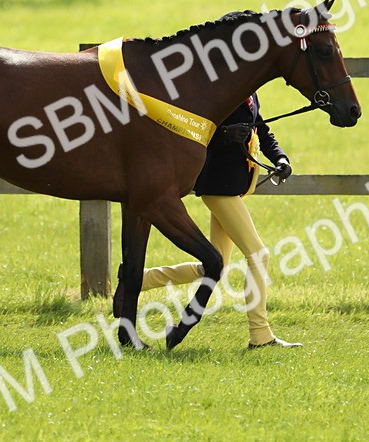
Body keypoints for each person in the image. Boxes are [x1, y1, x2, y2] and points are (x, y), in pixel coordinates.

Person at [112, 93, 300, 348]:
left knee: (216, 265)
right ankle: (260, 335)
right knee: (258, 255)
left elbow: (262, 129)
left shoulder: (250, 91)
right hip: (217, 186)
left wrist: (280, 158)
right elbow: (195, 129)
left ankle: (139, 279)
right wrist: (224, 134)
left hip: (233, 186)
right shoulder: (221, 89)